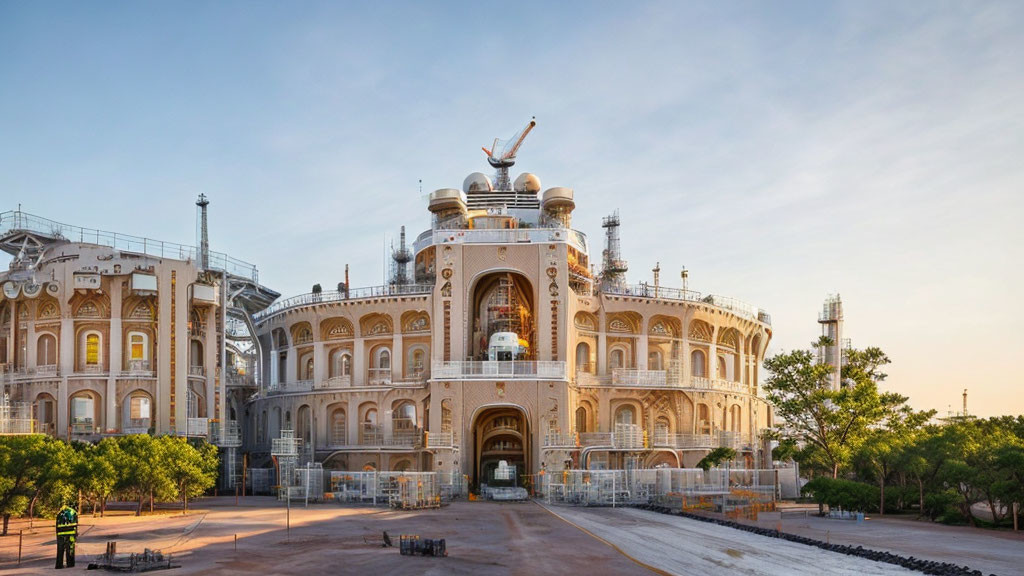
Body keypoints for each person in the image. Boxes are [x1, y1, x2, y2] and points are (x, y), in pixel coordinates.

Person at [55, 504, 78, 569]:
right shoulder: (74, 512)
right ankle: (70, 564)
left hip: (60, 534)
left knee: (60, 550)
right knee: (70, 549)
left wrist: (57, 534)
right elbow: (75, 524)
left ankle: (59, 565)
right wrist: (75, 534)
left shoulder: (59, 513)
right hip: (71, 533)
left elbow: (57, 525)